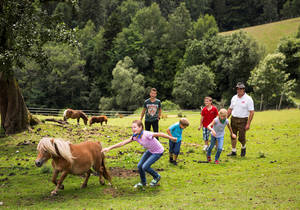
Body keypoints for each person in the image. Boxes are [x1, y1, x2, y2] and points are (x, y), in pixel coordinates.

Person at [101, 120, 177, 188]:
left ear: (141, 127)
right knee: (140, 166)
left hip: (158, 151)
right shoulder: (135, 137)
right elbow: (122, 143)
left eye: (135, 127)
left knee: (145, 167)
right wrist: (109, 148)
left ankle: (157, 176)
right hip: (150, 150)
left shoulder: (147, 134)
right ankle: (143, 182)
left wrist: (172, 138)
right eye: (132, 127)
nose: (133, 129)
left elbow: (160, 134)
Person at [227, 82, 254, 157]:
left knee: (241, 137)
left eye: (240, 89)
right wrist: (225, 118)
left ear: (244, 89)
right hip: (233, 119)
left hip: (243, 120)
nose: (239, 90)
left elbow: (252, 112)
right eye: (237, 89)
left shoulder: (248, 99)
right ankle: (233, 151)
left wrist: (248, 124)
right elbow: (230, 109)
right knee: (233, 136)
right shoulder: (234, 98)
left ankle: (243, 147)